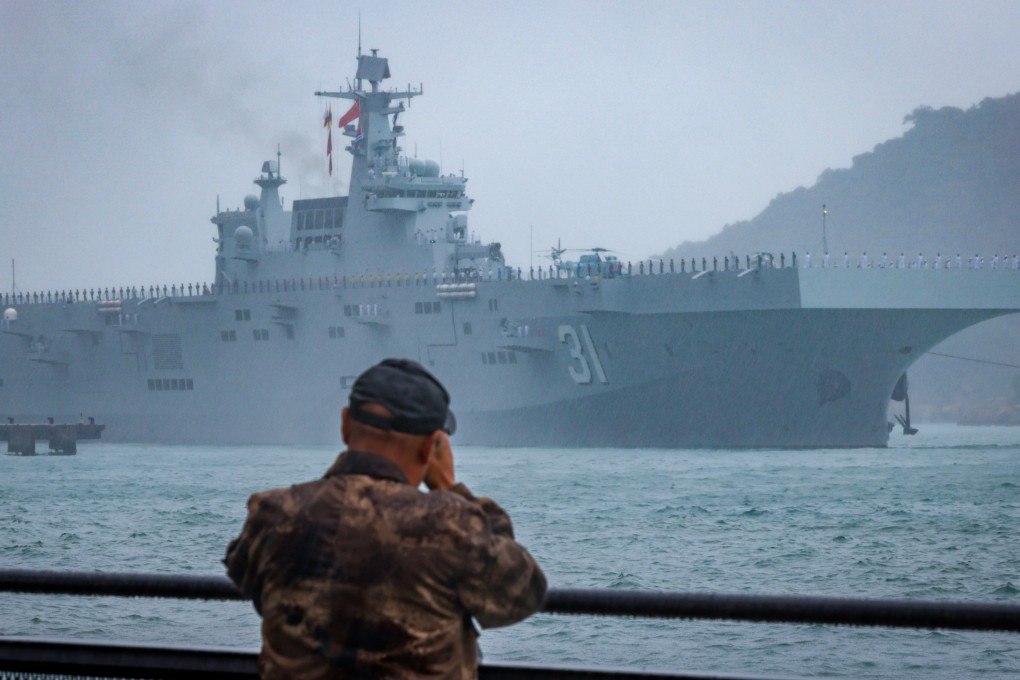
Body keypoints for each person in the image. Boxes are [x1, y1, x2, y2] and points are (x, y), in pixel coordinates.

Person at [225, 358, 547, 679]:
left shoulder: (273, 515)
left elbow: (246, 576)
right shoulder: (450, 524)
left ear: (345, 425)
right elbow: (522, 593)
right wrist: (450, 487)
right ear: (430, 448)